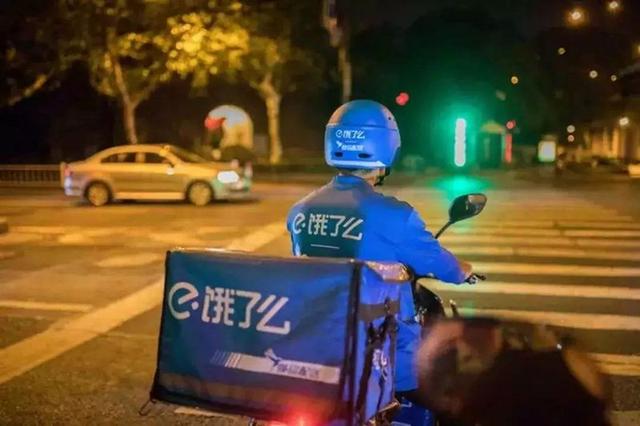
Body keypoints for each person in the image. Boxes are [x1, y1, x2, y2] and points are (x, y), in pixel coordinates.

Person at [286, 100, 472, 410]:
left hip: (318, 347)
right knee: (450, 392)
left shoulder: (300, 212)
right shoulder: (397, 216)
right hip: (384, 358)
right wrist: (463, 270)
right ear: (387, 146)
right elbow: (442, 265)